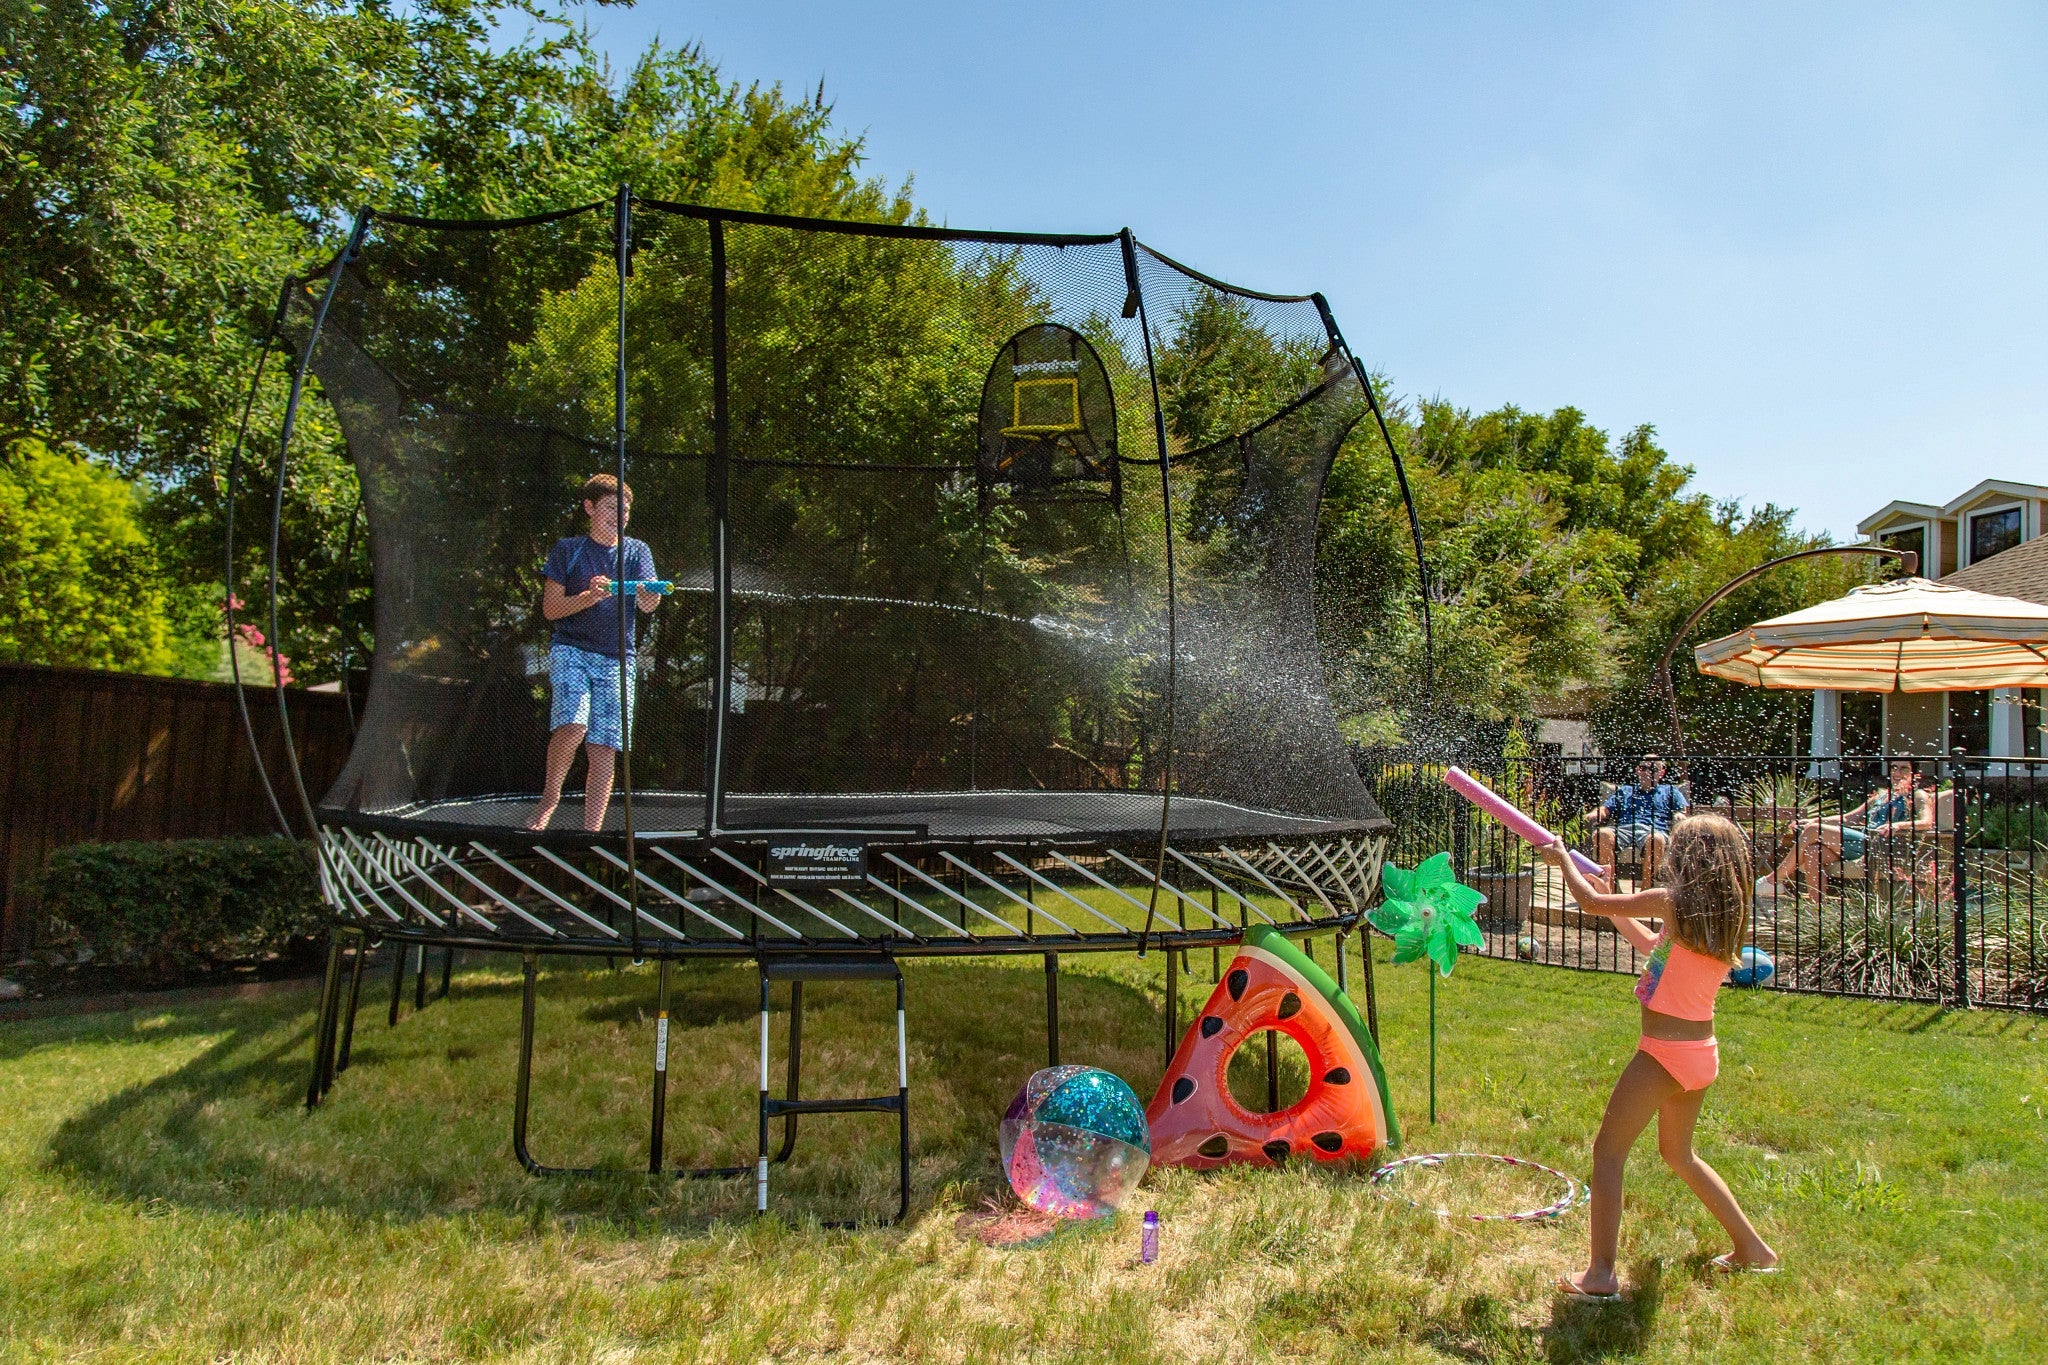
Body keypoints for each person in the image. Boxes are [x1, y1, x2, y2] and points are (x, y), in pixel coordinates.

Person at [1537, 814, 1780, 1302]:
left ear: (1691, 858)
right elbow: (1650, 944)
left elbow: (1587, 903)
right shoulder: (1716, 916)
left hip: (1663, 1056)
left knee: (1608, 1153)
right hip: (1699, 1056)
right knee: (1678, 1154)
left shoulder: (1673, 901)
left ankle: (1601, 1274)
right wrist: (1608, 893)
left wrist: (1563, 861)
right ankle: (1753, 1249)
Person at [527, 474, 660, 832]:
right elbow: (551, 610)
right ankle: (549, 800)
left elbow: (649, 603)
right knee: (573, 724)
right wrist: (588, 597)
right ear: (589, 508)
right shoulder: (568, 551)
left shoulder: (637, 551)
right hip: (572, 649)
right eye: (612, 508)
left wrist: (650, 595)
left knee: (605, 745)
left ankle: (592, 830)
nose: (621, 515)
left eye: (627, 509)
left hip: (618, 657)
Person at [1755, 759, 1932, 904]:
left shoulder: (1917, 795)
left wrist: (1898, 826)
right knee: (1812, 851)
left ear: (1914, 774)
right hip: (1861, 842)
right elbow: (1847, 818)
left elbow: (1926, 822)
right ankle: (1819, 910)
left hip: (1879, 846)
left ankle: (1774, 879)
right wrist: (1813, 820)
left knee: (1813, 831)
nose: (1897, 772)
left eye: (1904, 768)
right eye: (1894, 767)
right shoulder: (1881, 796)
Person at [1583, 755, 1688, 884]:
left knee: (1657, 839)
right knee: (1602, 834)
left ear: (1661, 773)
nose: (1647, 772)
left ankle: (1646, 890)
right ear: (1638, 770)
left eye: (1653, 769)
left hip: (1654, 830)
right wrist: (1596, 813)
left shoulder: (1671, 791)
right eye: (1644, 768)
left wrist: (1680, 815)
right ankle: (1610, 889)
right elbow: (1605, 809)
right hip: (1624, 829)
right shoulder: (1626, 790)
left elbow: (1683, 811)